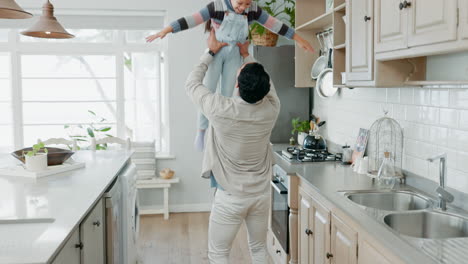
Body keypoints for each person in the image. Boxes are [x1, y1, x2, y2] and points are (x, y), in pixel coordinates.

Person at [147, 0, 313, 152]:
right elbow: (192, 20)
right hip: (216, 51)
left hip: (235, 53)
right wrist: (166, 30)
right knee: (208, 88)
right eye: (240, 3)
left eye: (247, 4)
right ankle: (202, 131)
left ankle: (220, 135)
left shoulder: (253, 10)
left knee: (228, 95)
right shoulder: (216, 7)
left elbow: (275, 25)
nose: (243, 8)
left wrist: (298, 39)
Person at [185, 28, 279, 264]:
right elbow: (268, 83)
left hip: (231, 197)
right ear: (265, 89)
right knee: (259, 249)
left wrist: (209, 52)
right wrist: (247, 55)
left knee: (218, 254)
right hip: (260, 195)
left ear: (236, 85)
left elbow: (192, 83)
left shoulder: (219, 108)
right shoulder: (271, 109)